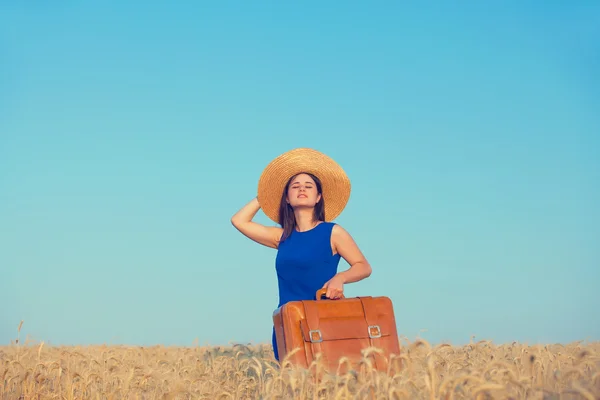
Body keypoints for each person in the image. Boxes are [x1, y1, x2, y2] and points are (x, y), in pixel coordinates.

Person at [230, 148, 372, 362]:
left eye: (309, 186)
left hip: (324, 321)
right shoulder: (281, 237)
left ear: (318, 197)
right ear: (286, 197)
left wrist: (340, 278)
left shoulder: (333, 232)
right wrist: (266, 195)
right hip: (288, 322)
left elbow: (363, 266)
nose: (302, 189)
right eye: (295, 187)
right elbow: (239, 220)